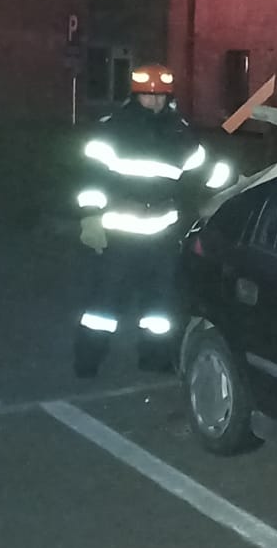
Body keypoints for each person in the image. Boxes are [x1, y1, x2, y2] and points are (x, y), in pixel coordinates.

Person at [73, 63, 234, 378]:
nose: (155, 101)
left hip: (162, 233)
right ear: (136, 96)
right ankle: (88, 358)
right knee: (104, 304)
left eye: (160, 96)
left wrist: (234, 181)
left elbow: (204, 172)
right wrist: (90, 217)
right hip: (119, 231)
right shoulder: (113, 130)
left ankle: (154, 357)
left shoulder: (180, 134)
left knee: (160, 307)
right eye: (148, 95)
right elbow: (91, 177)